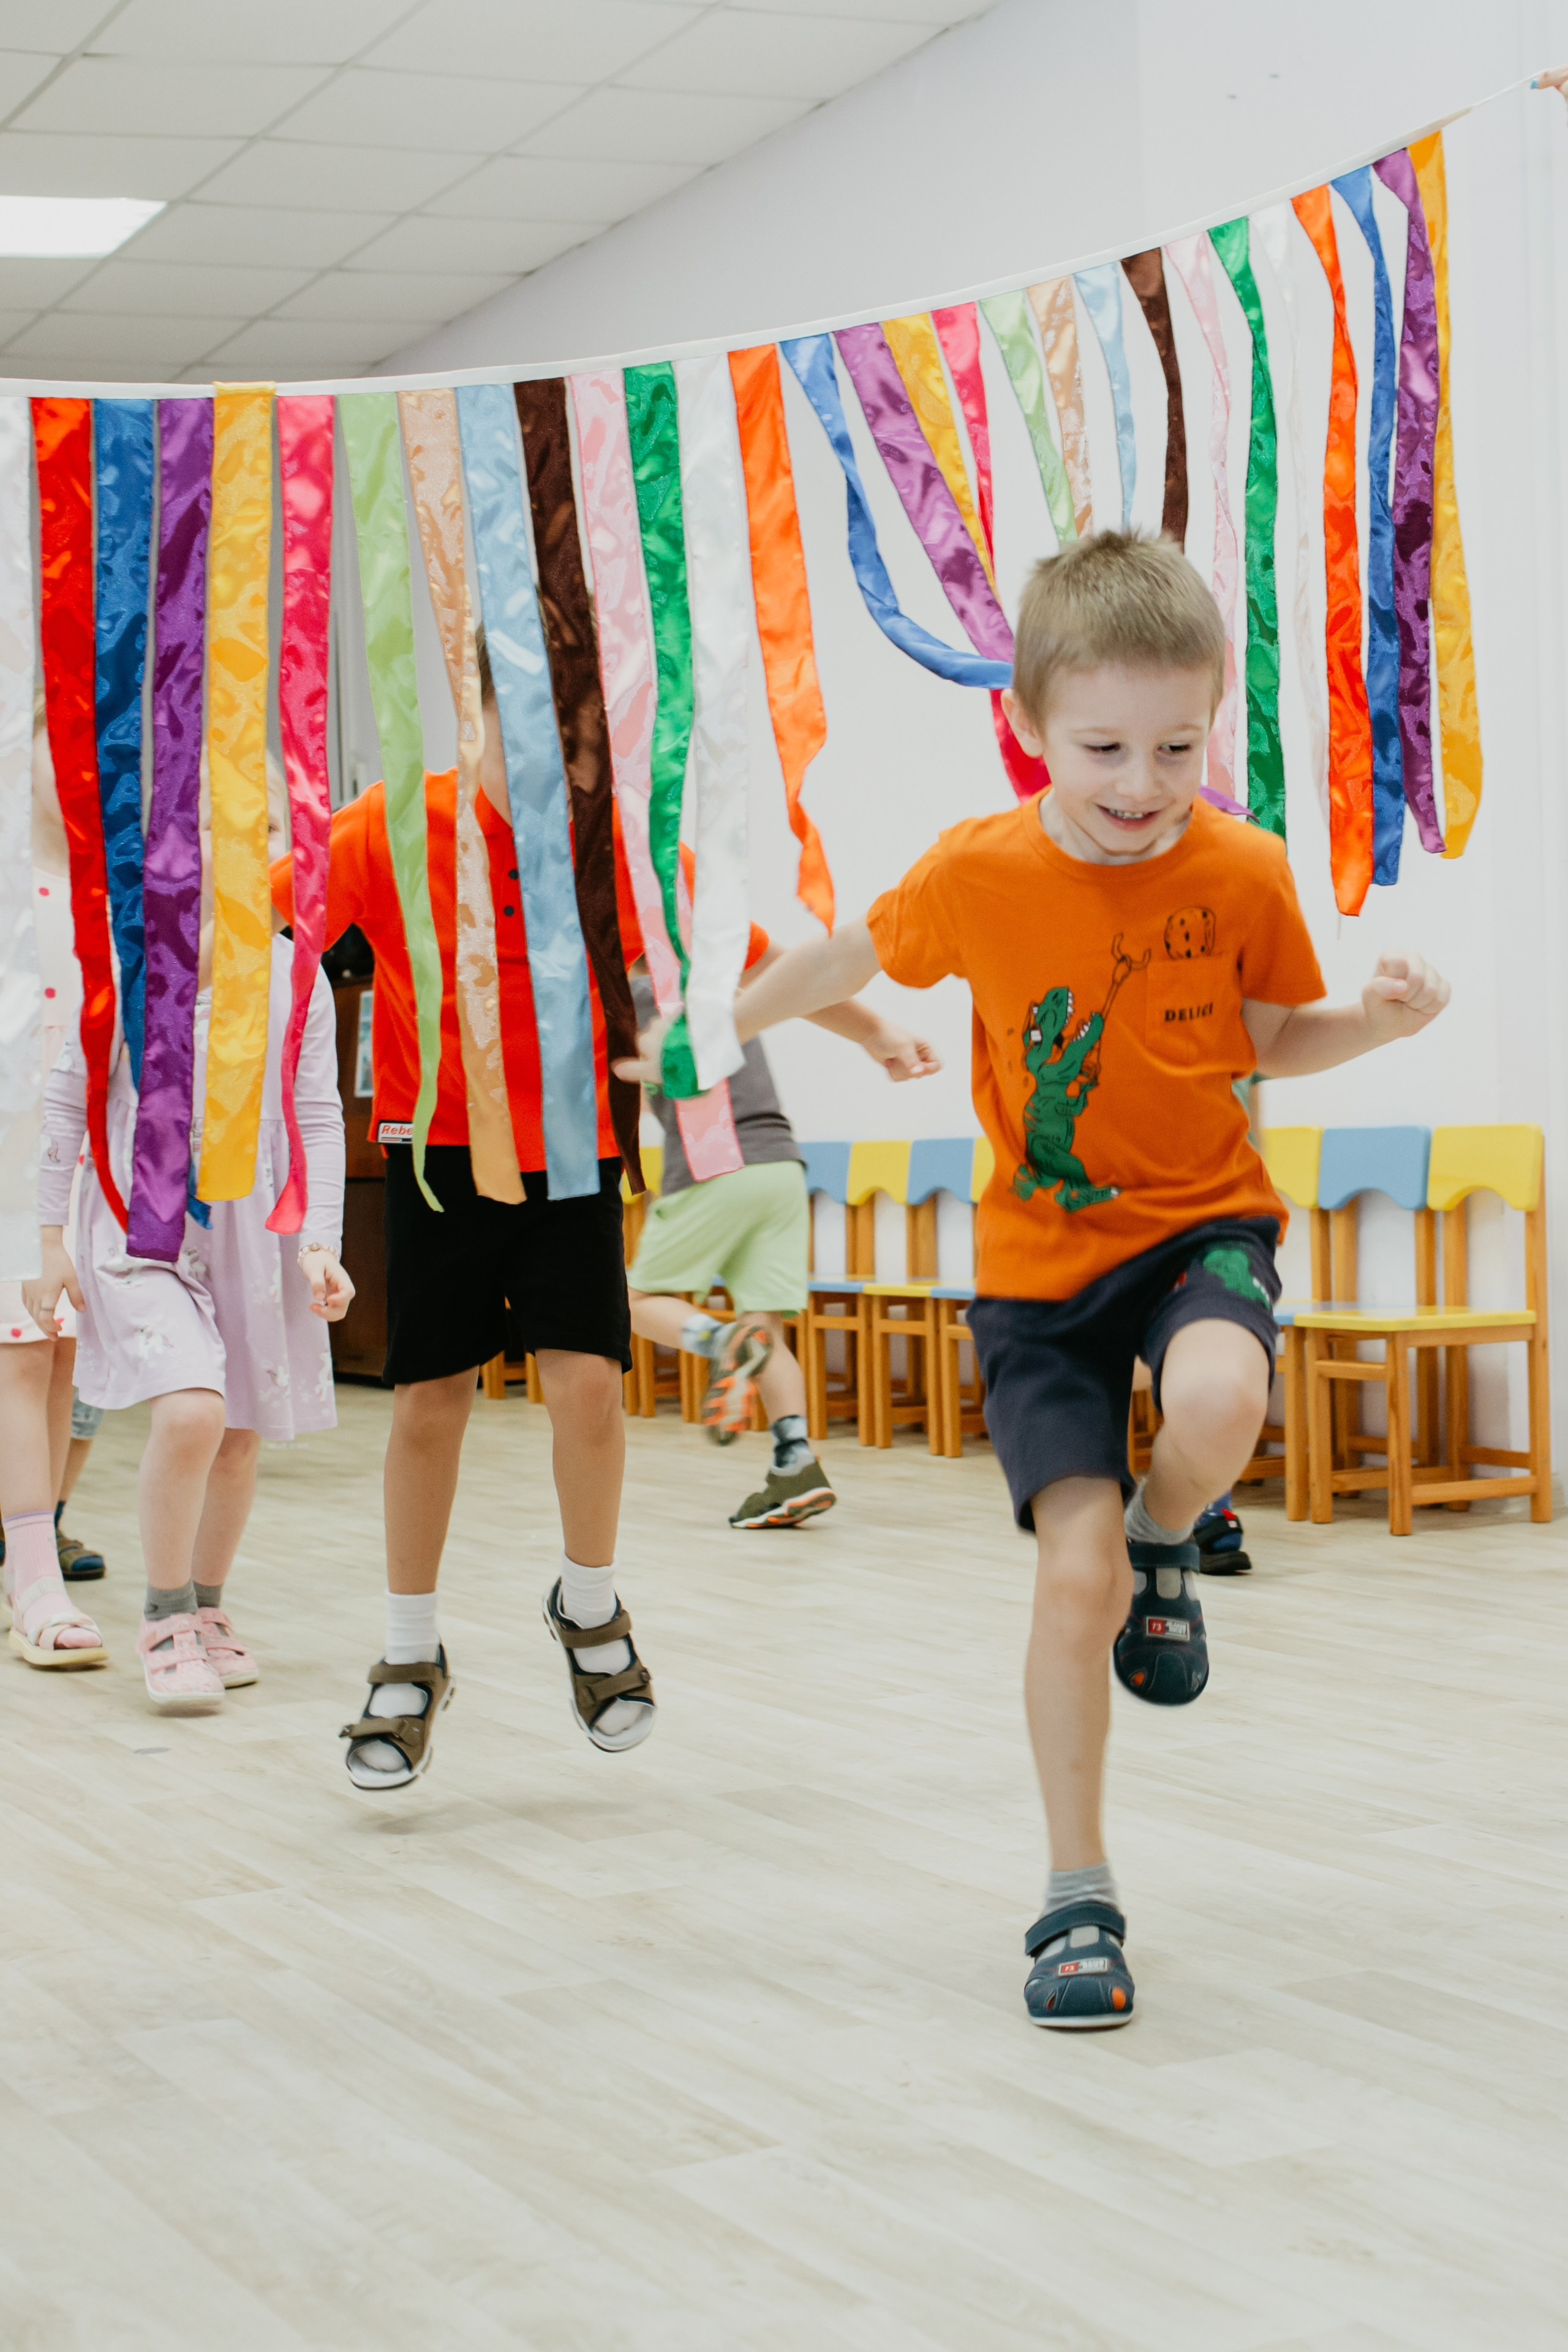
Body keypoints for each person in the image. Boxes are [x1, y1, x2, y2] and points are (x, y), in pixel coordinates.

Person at [710, 532, 1450, 2028]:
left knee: (1226, 1387)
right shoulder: (978, 870)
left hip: (1199, 1225)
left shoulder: (1237, 865)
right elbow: (836, 948)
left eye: (1175, 745)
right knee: (1068, 1571)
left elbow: (1266, 1037)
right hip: (1037, 1272)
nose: (1139, 781)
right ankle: (1074, 1891)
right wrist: (700, 1025)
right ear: (1031, 728)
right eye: (1103, 746)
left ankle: (1173, 1534)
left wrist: (1370, 1024)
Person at [272, 639, 664, 1788]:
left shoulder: (604, 845)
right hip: (436, 1153)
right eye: (533, 740)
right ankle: (408, 1655)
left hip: (574, 1155)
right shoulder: (390, 829)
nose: (556, 769)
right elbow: (272, 914)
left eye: (577, 749)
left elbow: (727, 950)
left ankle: (588, 1613)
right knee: (430, 1402)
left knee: (586, 1386)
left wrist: (869, 1026)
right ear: (476, 723)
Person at [26, 828, 352, 1709]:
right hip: (142, 1229)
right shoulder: (130, 963)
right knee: (192, 1410)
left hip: (259, 1233)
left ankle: (208, 1608)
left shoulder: (298, 976)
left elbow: (317, 1117)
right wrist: (48, 1236)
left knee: (240, 1433)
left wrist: (322, 1242)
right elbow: (70, 1095)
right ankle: (164, 1618)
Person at [624, 891, 935, 1529]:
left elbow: (616, 1097)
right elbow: (805, 983)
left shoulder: (619, 997)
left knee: (634, 1302)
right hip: (780, 1165)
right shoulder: (717, 979)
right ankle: (794, 1461)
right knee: (765, 1329)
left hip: (713, 1165)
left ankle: (720, 1341)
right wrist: (876, 1032)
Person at [1, 715, 108, 1668]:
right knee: (21, 1354)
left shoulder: (99, 885)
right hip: (9, 1139)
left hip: (77, 1153)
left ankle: (39, 1542)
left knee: (68, 1353)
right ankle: (32, 1573)